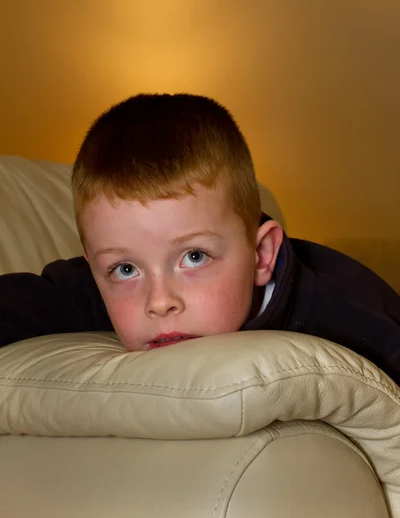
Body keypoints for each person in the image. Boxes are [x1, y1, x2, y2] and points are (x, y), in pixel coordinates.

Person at [0, 94, 399, 384]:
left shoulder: (346, 312)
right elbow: (28, 302)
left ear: (261, 255)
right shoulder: (106, 293)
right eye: (125, 268)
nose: (159, 302)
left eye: (193, 257)